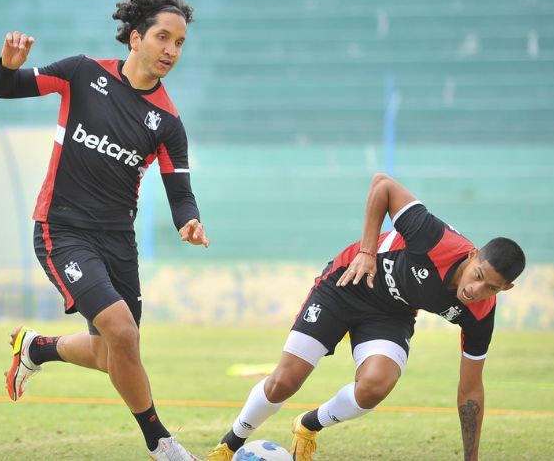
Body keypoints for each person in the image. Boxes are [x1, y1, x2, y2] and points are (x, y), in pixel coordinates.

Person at [0, 0, 208, 461]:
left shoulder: (167, 121)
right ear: (135, 38)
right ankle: (161, 442)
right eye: (163, 38)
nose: (171, 50)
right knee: (123, 333)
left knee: (113, 355)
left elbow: (180, 192)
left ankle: (37, 348)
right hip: (61, 229)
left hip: (117, 241)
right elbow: (4, 88)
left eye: (180, 43)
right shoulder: (82, 74)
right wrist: (8, 63)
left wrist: (189, 222)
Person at [206, 173, 525, 461]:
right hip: (347, 285)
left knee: (376, 385)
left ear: (506, 289)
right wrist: (367, 252)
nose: (476, 289)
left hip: (391, 313)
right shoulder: (434, 237)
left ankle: (307, 425)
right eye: (478, 274)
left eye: (491, 288)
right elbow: (383, 185)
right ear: (472, 256)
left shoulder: (480, 314)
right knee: (284, 382)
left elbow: (470, 390)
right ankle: (229, 446)